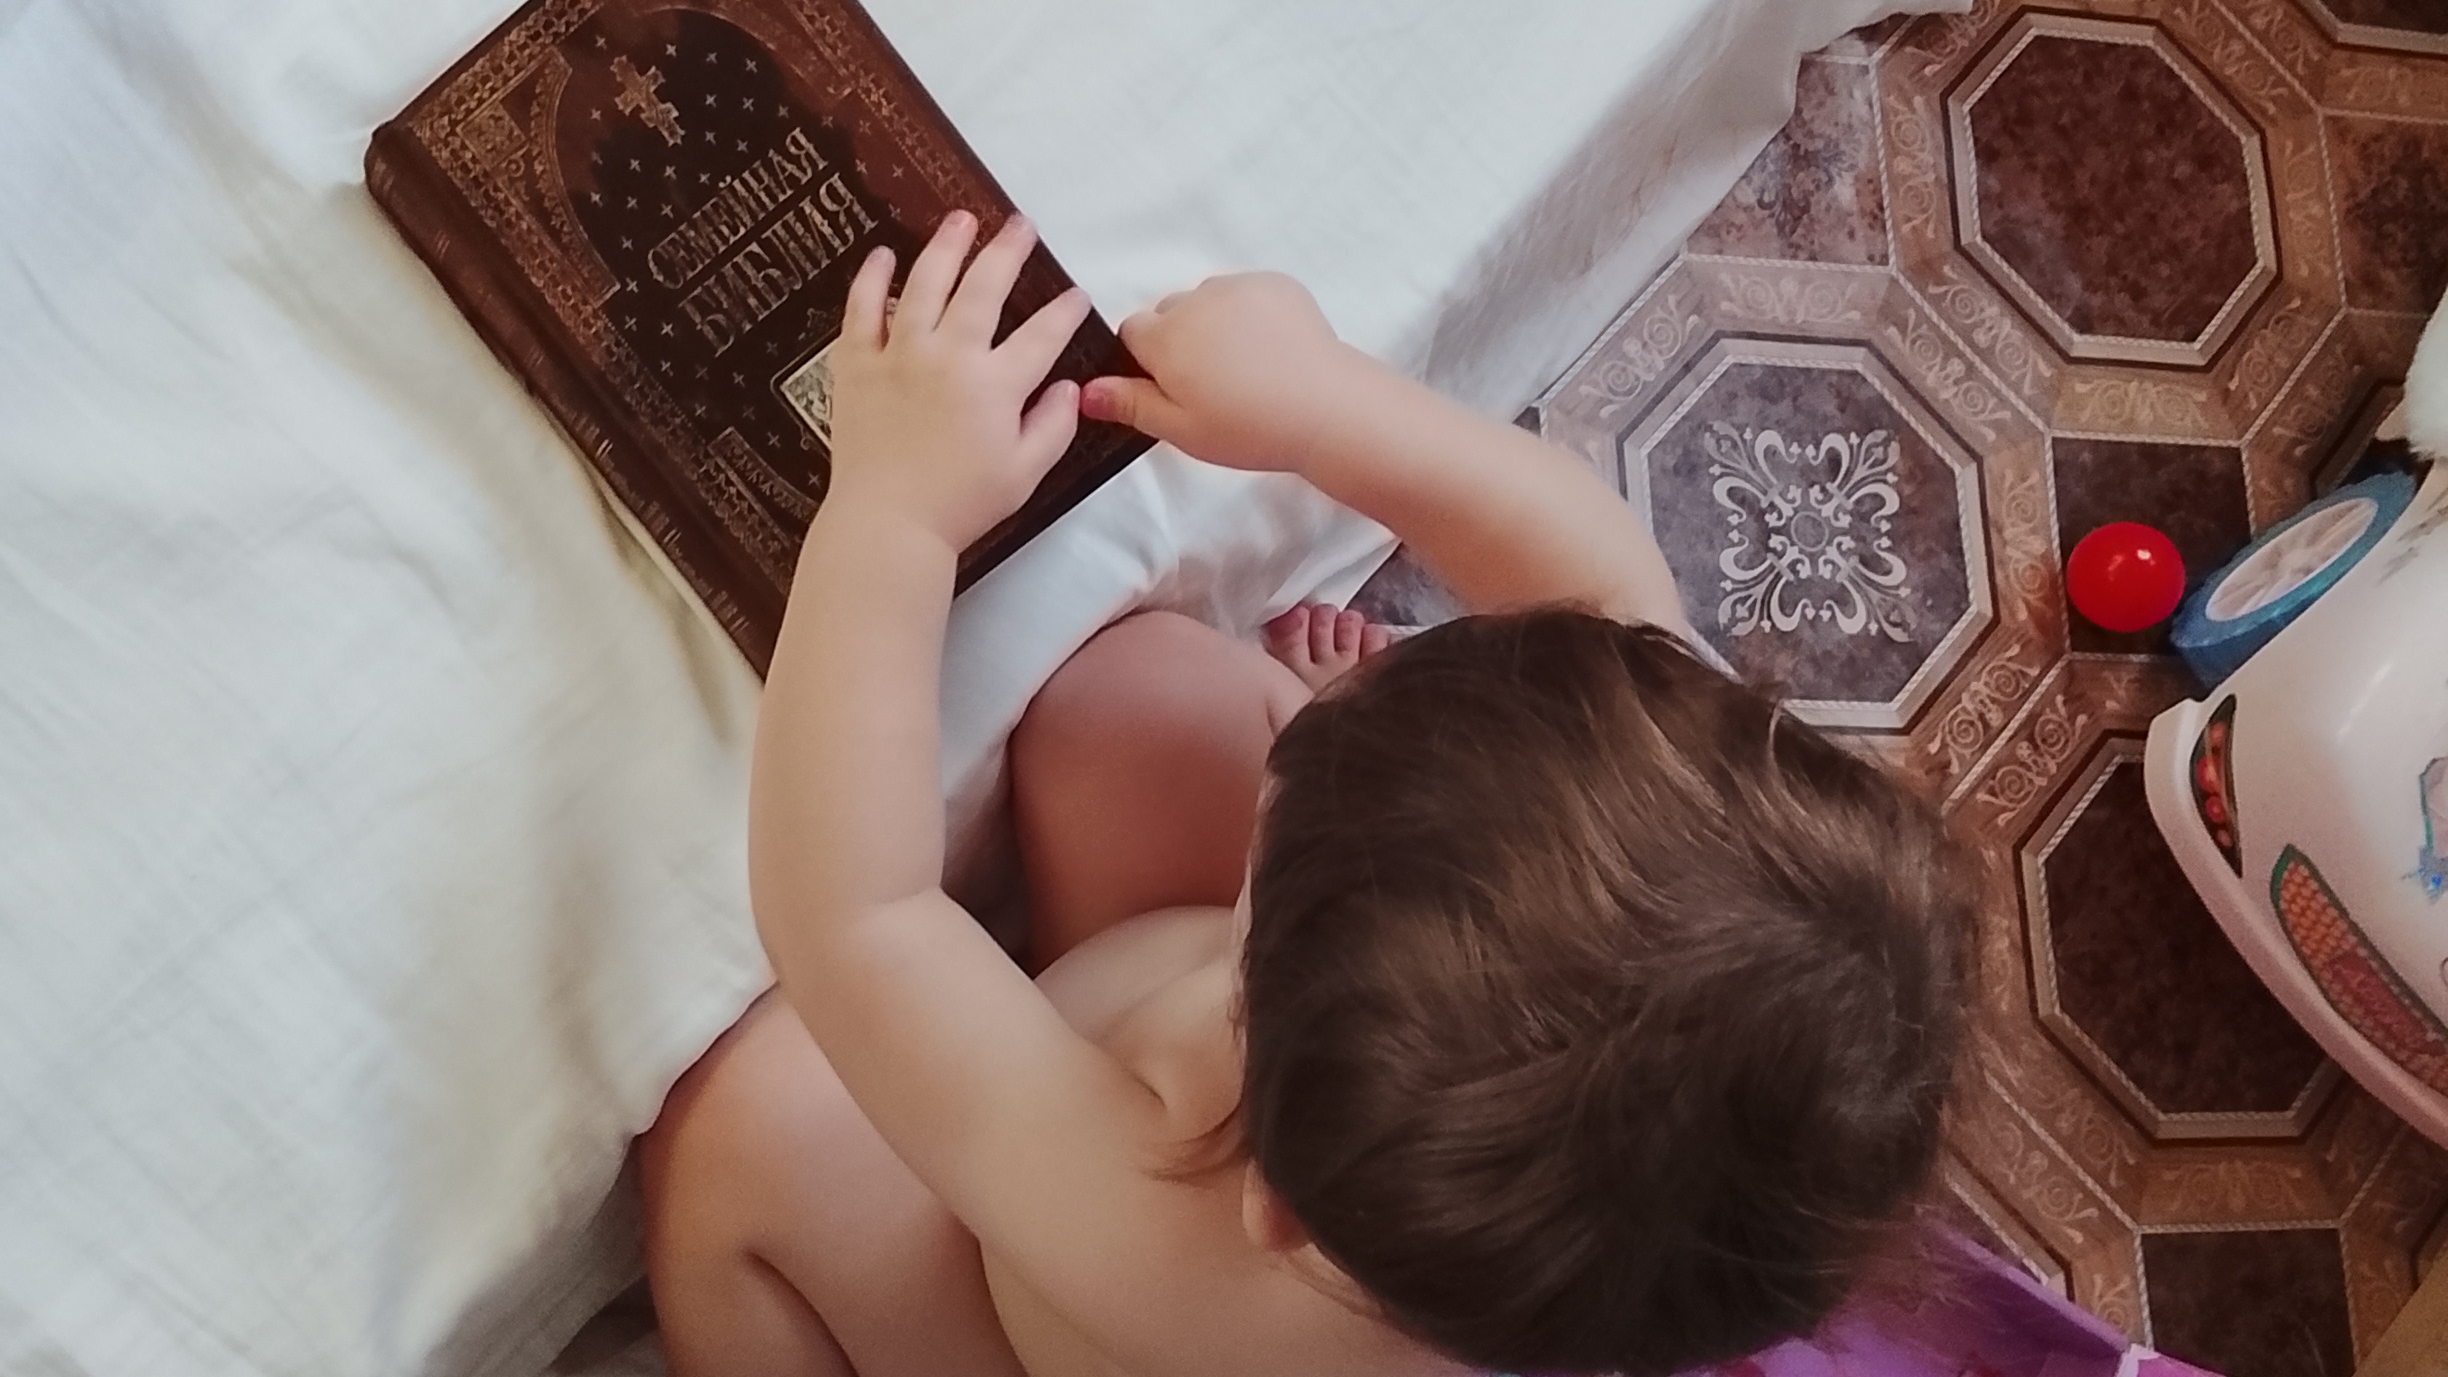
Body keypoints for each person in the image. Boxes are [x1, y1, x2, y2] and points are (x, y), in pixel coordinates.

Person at [637, 211, 1977, 1377]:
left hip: (1017, 1279)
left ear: (1278, 1204)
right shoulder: (1684, 810)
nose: (1288, 752)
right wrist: (1324, 405)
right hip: (1178, 1024)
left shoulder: (1194, 1270)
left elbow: (861, 921)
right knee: (1150, 701)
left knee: (750, 1125)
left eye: (1282, 823)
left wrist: (891, 517)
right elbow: (1591, 572)